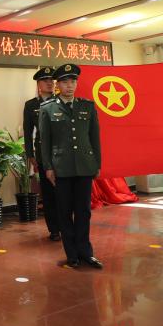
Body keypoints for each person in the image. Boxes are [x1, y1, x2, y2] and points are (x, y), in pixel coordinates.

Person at [39, 64, 103, 269]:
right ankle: (72, 254)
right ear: (57, 85)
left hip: (84, 166)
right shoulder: (48, 108)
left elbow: (94, 138)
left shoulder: (87, 106)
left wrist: (97, 163)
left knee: (84, 211)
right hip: (62, 168)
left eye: (73, 81)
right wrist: (48, 167)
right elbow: (45, 141)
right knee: (65, 212)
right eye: (65, 82)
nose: (70, 86)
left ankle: (86, 252)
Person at [23, 66, 61, 241]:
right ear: (39, 84)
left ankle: (66, 226)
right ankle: (54, 229)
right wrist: (30, 155)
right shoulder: (31, 105)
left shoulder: (61, 101)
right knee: (48, 194)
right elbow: (27, 131)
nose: (50, 83)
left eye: (52, 80)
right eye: (46, 80)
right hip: (42, 154)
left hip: (62, 153)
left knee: (63, 192)